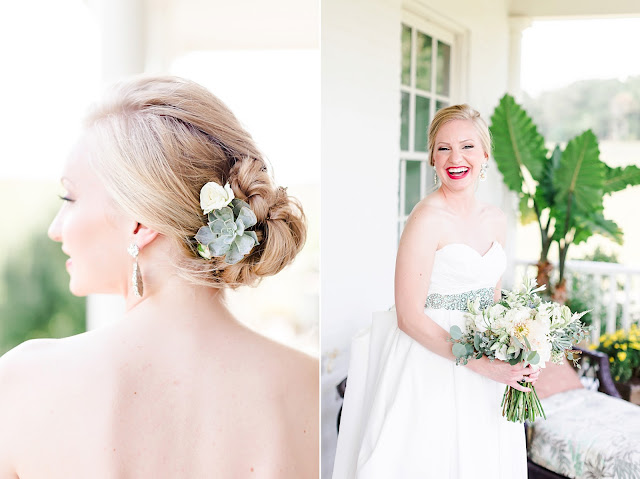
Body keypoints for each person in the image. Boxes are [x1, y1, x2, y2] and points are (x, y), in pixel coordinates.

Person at [0, 76, 318, 478]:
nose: (56, 228)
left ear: (139, 222)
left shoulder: (23, 385)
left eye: (70, 199)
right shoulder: (307, 386)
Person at [332, 104, 539, 478]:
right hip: (430, 362)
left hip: (485, 361)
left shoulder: (496, 219)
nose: (455, 158)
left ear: (485, 155)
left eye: (467, 147)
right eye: (443, 148)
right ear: (432, 157)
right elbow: (409, 317)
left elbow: (492, 303)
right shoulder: (426, 218)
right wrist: (482, 366)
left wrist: (515, 353)